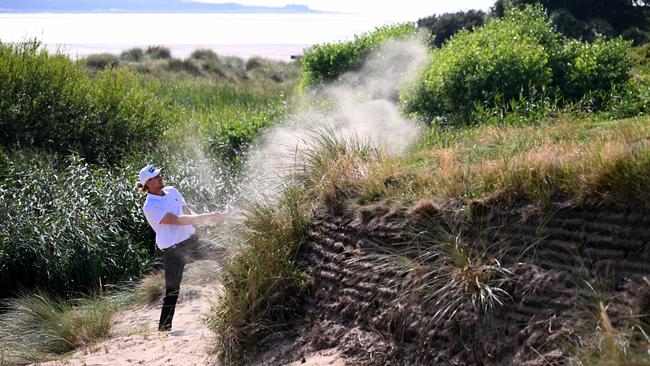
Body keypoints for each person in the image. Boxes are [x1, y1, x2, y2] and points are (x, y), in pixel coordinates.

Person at [136, 164, 222, 332]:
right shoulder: (150, 206)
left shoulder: (173, 191)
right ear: (148, 183)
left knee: (223, 253)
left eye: (160, 174)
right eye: (156, 177)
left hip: (191, 243)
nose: (160, 177)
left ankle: (238, 289)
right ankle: (164, 330)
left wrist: (205, 220)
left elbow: (187, 212)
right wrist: (206, 217)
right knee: (172, 292)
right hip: (174, 251)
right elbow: (177, 220)